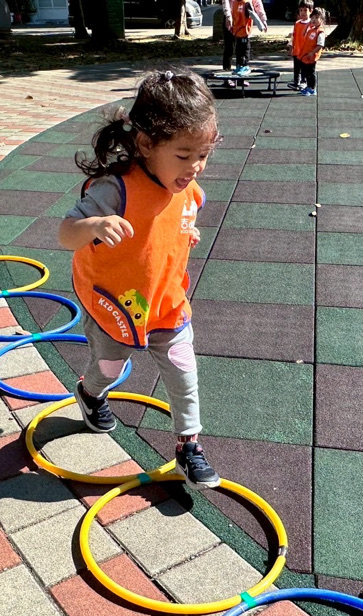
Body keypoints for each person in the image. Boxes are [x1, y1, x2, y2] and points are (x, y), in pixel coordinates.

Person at [58, 71, 222, 490]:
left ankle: (189, 445)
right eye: (184, 155)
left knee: (184, 372)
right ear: (146, 144)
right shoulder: (115, 190)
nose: (195, 167)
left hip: (166, 302)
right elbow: (66, 234)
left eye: (204, 155)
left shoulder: (189, 189)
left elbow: (171, 222)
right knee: (110, 367)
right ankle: (90, 393)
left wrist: (185, 232)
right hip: (116, 301)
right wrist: (95, 225)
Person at [222, 0, 267, 77]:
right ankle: (227, 74)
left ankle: (241, 73)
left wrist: (263, 19)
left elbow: (257, 3)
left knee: (243, 48)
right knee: (229, 47)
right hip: (231, 16)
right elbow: (225, 2)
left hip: (243, 20)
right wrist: (228, 16)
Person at [298, 7, 326, 97]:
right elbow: (303, 34)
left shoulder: (320, 32)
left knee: (311, 73)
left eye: (316, 18)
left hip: (312, 56)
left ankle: (312, 89)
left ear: (321, 19)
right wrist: (308, 25)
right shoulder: (312, 29)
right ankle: (309, 86)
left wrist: (312, 52)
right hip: (306, 55)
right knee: (306, 72)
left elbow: (320, 45)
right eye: (312, 17)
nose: (313, 20)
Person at [288, 0, 314, 91]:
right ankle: (296, 82)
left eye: (305, 10)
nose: (303, 12)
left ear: (311, 11)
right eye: (301, 10)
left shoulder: (311, 24)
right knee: (296, 68)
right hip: (297, 50)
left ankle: (304, 81)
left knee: (304, 68)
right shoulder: (297, 23)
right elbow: (294, 36)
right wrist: (291, 46)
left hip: (305, 52)